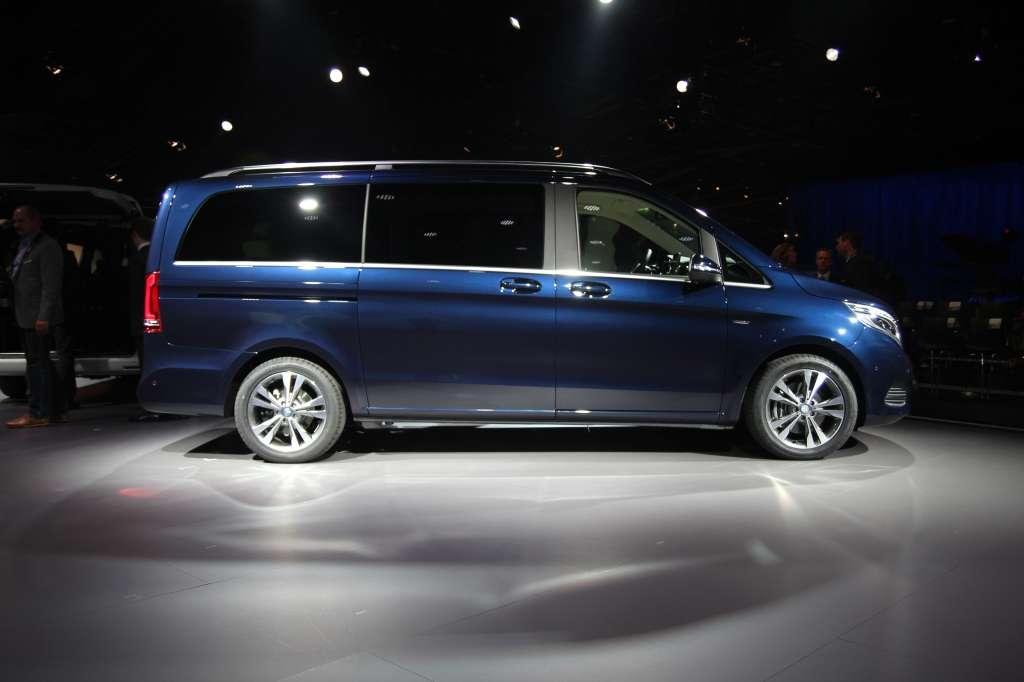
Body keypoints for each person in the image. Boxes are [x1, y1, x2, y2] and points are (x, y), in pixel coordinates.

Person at [5, 205, 67, 428]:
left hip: (38, 317)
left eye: (21, 221)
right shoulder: (25, 245)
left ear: (35, 221)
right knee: (41, 364)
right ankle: (54, 411)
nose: (16, 225)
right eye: (15, 221)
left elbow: (51, 286)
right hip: (26, 315)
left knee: (37, 366)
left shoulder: (47, 246)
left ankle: (38, 413)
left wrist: (43, 316)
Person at [835, 230, 881, 296]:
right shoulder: (846, 262)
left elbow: (861, 289)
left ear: (846, 243)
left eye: (838, 243)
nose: (837, 246)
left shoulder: (862, 263)